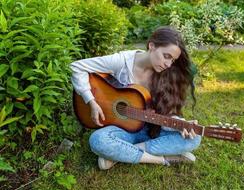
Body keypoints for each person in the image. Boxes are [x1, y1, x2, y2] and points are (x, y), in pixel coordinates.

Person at [70, 26, 201, 170]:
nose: (168, 64)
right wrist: (91, 101)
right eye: (166, 56)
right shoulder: (122, 61)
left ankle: (120, 154)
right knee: (98, 140)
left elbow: (165, 115)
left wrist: (181, 125)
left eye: (173, 60)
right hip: (122, 128)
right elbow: (77, 67)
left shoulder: (167, 74)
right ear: (152, 46)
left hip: (151, 128)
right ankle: (161, 159)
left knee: (194, 138)